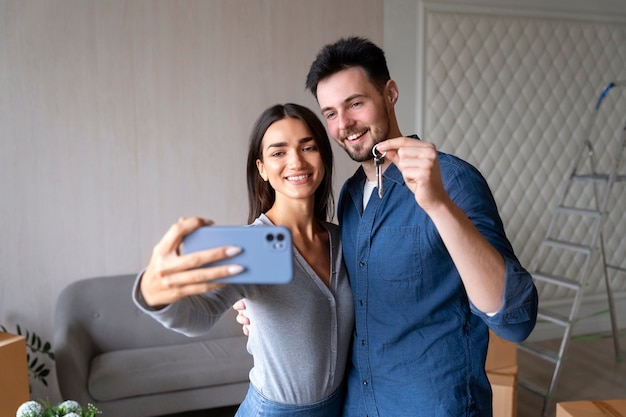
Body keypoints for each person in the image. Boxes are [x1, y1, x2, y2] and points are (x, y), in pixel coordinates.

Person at [236, 37, 539, 416]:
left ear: (390, 93)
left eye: (355, 104)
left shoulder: (453, 181)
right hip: (358, 407)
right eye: (330, 113)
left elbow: (516, 320)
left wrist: (438, 204)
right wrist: (263, 314)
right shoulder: (349, 197)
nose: (344, 124)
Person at [133, 103, 354, 417]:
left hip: (340, 406)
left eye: (309, 147)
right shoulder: (252, 247)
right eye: (279, 152)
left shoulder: (345, 239)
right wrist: (153, 296)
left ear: (324, 158)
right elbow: (201, 316)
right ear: (262, 168)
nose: (296, 161)